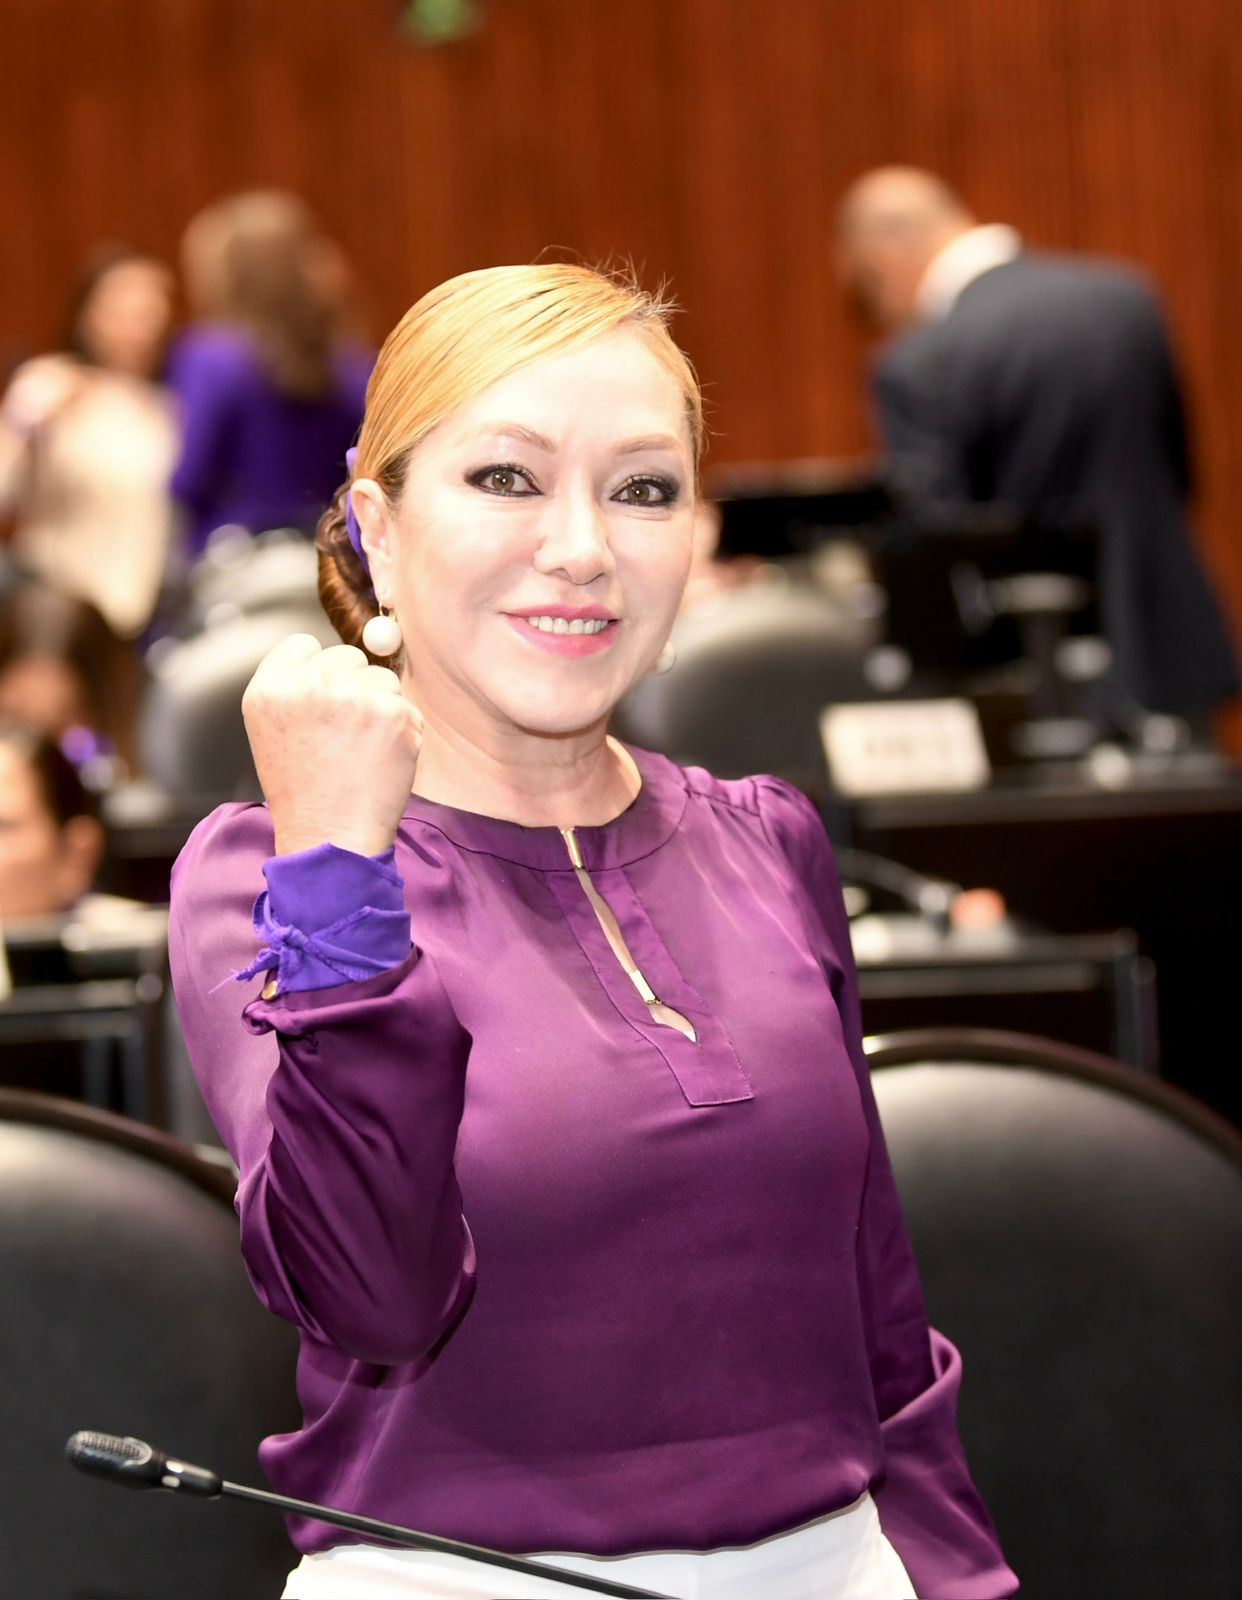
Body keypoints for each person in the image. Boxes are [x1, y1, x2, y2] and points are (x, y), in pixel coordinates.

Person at [169, 263, 1016, 1600]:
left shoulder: (766, 838)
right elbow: (370, 1296)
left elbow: (881, 1321)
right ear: (376, 528)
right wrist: (335, 865)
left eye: (643, 490)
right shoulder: (268, 875)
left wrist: (960, 1583)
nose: (582, 547)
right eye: (506, 478)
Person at [836, 166, 1239, 725]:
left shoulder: (922, 360)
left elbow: (938, 544)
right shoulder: (1125, 300)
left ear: (884, 262)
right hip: (1170, 643)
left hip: (1039, 683)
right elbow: (1180, 472)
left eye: (871, 296)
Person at [171, 191, 372, 554]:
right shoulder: (353, 365)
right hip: (325, 555)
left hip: (237, 559)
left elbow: (189, 481)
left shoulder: (213, 356)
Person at [0, 246, 179, 641]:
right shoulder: (49, 381)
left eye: (149, 314)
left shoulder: (171, 404)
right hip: (60, 602)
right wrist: (33, 425)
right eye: (122, 314)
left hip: (146, 607)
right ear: (86, 316)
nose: (138, 330)